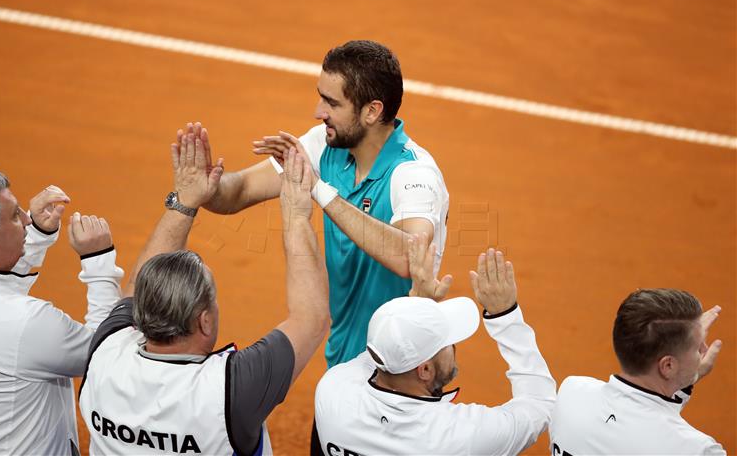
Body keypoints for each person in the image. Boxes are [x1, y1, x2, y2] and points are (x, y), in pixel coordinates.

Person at [181, 39, 450, 368]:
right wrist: (208, 187)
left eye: (331, 103)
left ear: (371, 111)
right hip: (342, 367)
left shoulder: (413, 174)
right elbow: (238, 193)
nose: (318, 112)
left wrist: (320, 190)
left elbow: (411, 256)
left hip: (401, 375)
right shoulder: (325, 146)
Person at [79, 133, 329, 455]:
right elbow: (311, 317)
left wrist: (183, 202)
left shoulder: (106, 355)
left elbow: (134, 290)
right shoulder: (231, 392)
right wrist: (296, 215)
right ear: (205, 321)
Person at [313, 236, 556, 455]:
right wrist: (506, 316)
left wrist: (416, 307)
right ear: (425, 370)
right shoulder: (459, 436)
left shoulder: (334, 390)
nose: (454, 346)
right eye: (448, 342)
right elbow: (539, 403)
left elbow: (384, 349)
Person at [0, 170, 122, 455]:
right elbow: (107, 352)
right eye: (15, 216)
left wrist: (36, 233)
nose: (26, 218)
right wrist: (98, 262)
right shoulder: (27, 323)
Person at [549, 289, 725, 455]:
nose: (704, 349)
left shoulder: (572, 392)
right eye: (697, 347)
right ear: (668, 366)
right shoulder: (698, 450)